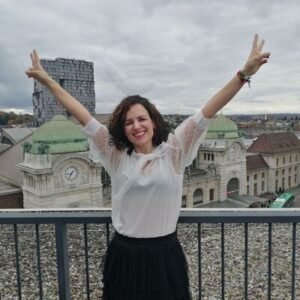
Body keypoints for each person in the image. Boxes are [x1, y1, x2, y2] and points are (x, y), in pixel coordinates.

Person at [26, 34, 270, 300]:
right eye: (129, 122)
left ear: (153, 122)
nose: (136, 126)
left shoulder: (175, 151)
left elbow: (209, 110)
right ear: (123, 128)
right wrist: (47, 80)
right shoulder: (115, 155)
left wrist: (243, 74)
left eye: (142, 119)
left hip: (164, 254)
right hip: (125, 255)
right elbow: (82, 114)